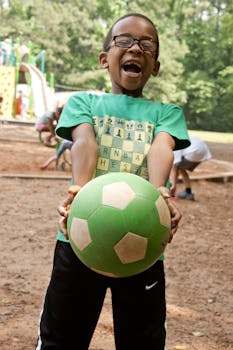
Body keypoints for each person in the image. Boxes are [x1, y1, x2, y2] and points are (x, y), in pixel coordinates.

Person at [35, 13, 190, 350]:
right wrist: (79, 191)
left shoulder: (167, 112)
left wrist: (160, 190)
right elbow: (85, 142)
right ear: (105, 59)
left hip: (144, 246)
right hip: (79, 240)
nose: (135, 47)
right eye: (124, 40)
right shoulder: (84, 103)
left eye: (146, 44)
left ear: (155, 66)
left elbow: (160, 148)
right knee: (60, 338)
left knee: (142, 341)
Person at [170, 134, 212, 200]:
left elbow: (174, 167)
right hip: (204, 152)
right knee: (181, 169)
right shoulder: (179, 135)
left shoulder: (175, 144)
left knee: (176, 168)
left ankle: (172, 193)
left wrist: (173, 184)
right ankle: (188, 192)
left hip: (194, 152)